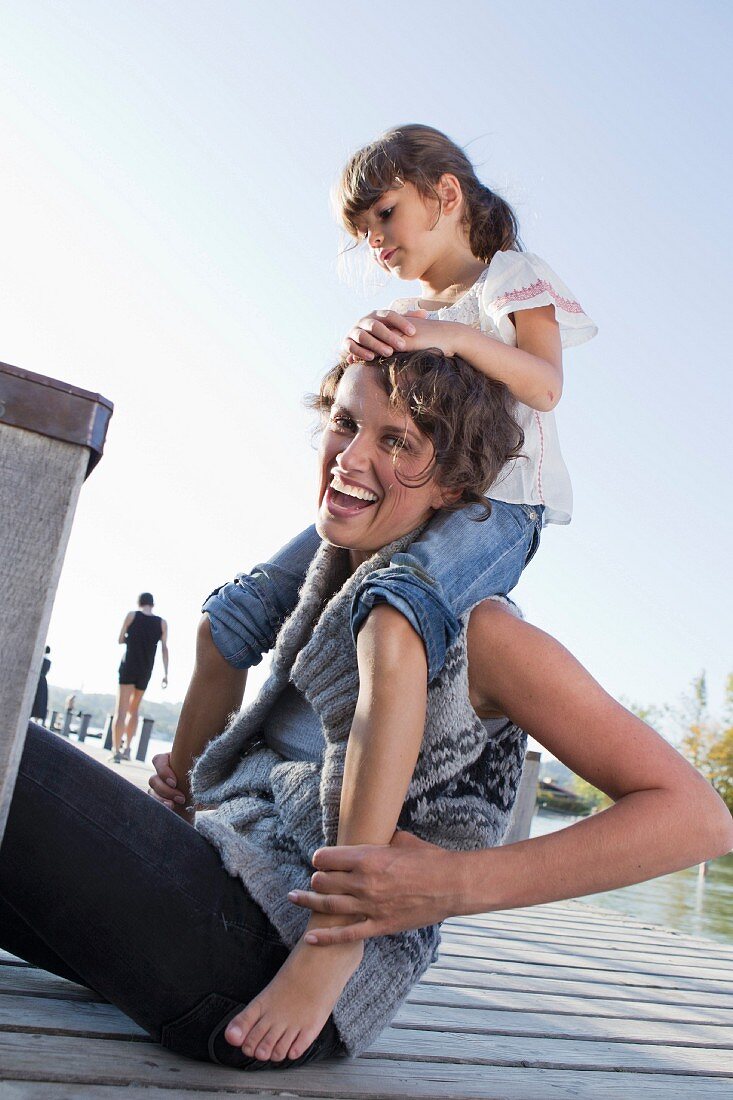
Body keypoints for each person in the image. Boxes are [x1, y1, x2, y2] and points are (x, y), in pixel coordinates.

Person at [139, 352, 733, 1067]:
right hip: (220, 873)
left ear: (453, 490)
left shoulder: (478, 632)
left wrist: (453, 884)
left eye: (396, 442)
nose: (350, 457)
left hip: (277, 957)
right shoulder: (323, 597)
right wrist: (197, 791)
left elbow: (695, 818)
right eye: (345, 424)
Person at [219, 122, 597, 785]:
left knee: (397, 609)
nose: (373, 239)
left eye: (384, 213)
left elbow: (544, 385)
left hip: (497, 509)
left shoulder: (510, 277)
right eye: (361, 228)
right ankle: (194, 781)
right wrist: (359, 348)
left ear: (445, 194)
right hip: (410, 501)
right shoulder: (409, 311)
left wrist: (448, 334)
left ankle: (358, 842)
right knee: (243, 606)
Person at [111, 592, 168, 763]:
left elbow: (120, 639)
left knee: (121, 710)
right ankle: (128, 749)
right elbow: (165, 648)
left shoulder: (132, 616)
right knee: (134, 710)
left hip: (129, 666)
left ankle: (116, 752)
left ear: (139, 603)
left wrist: (129, 639)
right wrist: (166, 674)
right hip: (145, 669)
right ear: (153, 604)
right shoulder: (162, 623)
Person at [30, 646, 51, 723]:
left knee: (37, 698)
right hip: (43, 681)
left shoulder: (41, 659)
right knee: (41, 699)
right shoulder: (48, 661)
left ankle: (33, 715)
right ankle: (37, 719)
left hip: (38, 680)